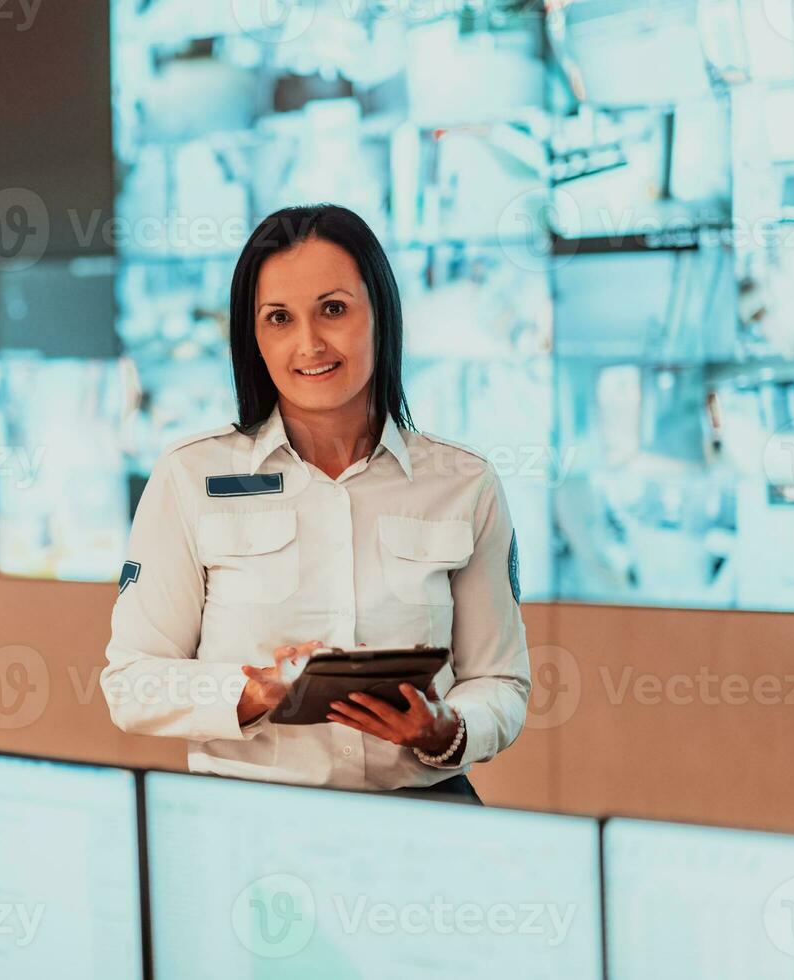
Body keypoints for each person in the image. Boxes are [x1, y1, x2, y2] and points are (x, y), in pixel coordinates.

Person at [101, 204, 531, 802]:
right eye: (279, 318)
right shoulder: (189, 477)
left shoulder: (465, 482)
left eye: (333, 309)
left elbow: (500, 680)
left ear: (380, 314)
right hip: (246, 815)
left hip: (424, 816)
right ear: (254, 336)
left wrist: (448, 729)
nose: (309, 344)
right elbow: (132, 682)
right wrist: (253, 693)